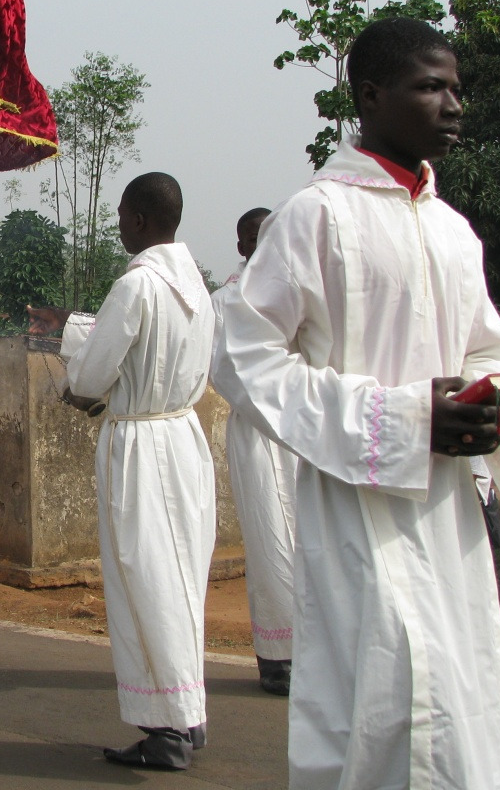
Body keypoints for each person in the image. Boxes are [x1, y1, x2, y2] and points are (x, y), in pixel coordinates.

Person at [212, 17, 500, 790]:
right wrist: (403, 417)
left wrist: (493, 415)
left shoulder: (456, 232)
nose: (453, 104)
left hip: (450, 509)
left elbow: (489, 353)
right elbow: (244, 356)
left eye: (457, 88)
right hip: (360, 500)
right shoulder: (317, 216)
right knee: (382, 699)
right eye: (432, 87)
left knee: (464, 694)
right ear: (371, 95)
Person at [56, 172, 214, 771]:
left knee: (143, 581)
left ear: (142, 221)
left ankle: (164, 731)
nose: (118, 225)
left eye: (122, 215)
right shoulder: (198, 284)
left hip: (142, 444)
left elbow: (93, 378)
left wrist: (76, 359)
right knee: (182, 579)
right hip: (185, 439)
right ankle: (187, 716)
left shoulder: (138, 285)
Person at [209, 207, 297, 695]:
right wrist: (279, 407)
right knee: (269, 541)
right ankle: (278, 656)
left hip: (305, 435)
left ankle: (321, 653)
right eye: (253, 238)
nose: (264, 246)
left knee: (311, 537)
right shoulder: (225, 303)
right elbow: (224, 369)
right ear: (242, 246)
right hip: (260, 433)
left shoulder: (302, 295)